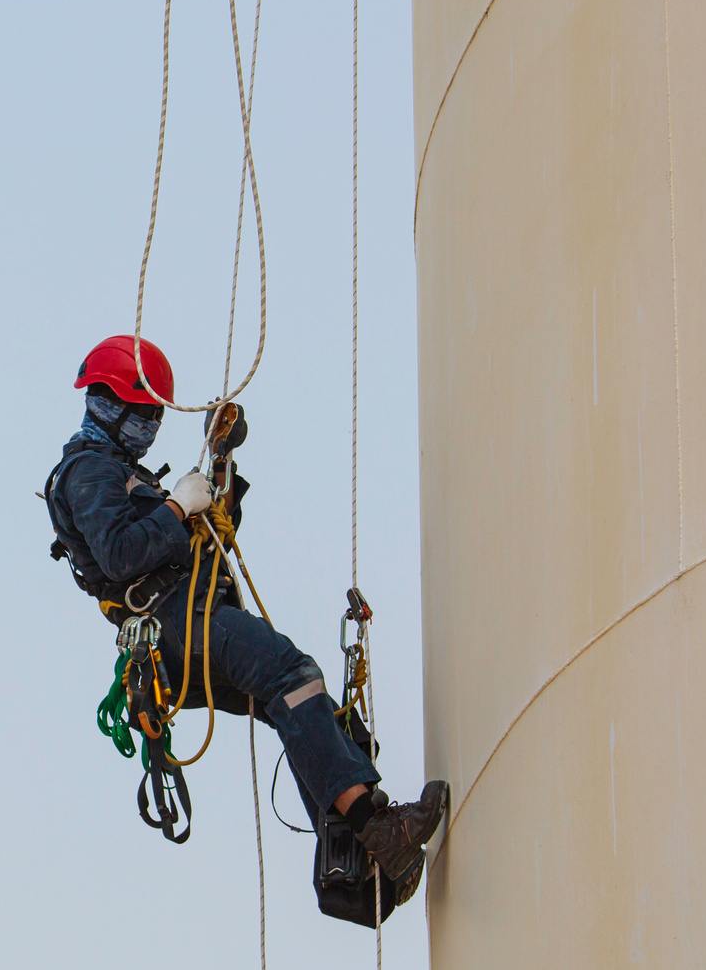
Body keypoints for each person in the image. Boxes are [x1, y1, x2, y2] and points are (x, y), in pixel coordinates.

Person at [43, 334, 446, 890]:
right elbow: (119, 553)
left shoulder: (124, 474)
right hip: (173, 622)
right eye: (144, 414)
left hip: (185, 627)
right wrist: (176, 505)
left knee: (314, 711)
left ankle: (360, 870)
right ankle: (377, 828)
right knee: (291, 674)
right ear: (111, 407)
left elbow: (207, 537)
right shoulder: (88, 471)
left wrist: (219, 461)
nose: (149, 427)